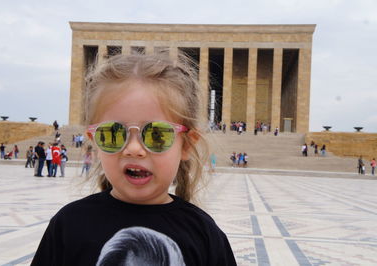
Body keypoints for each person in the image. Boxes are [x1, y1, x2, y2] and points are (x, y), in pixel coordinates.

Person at [32, 54, 236, 265]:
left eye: (157, 135)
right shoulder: (69, 224)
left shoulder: (204, 234)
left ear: (186, 144)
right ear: (94, 141)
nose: (133, 149)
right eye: (113, 134)